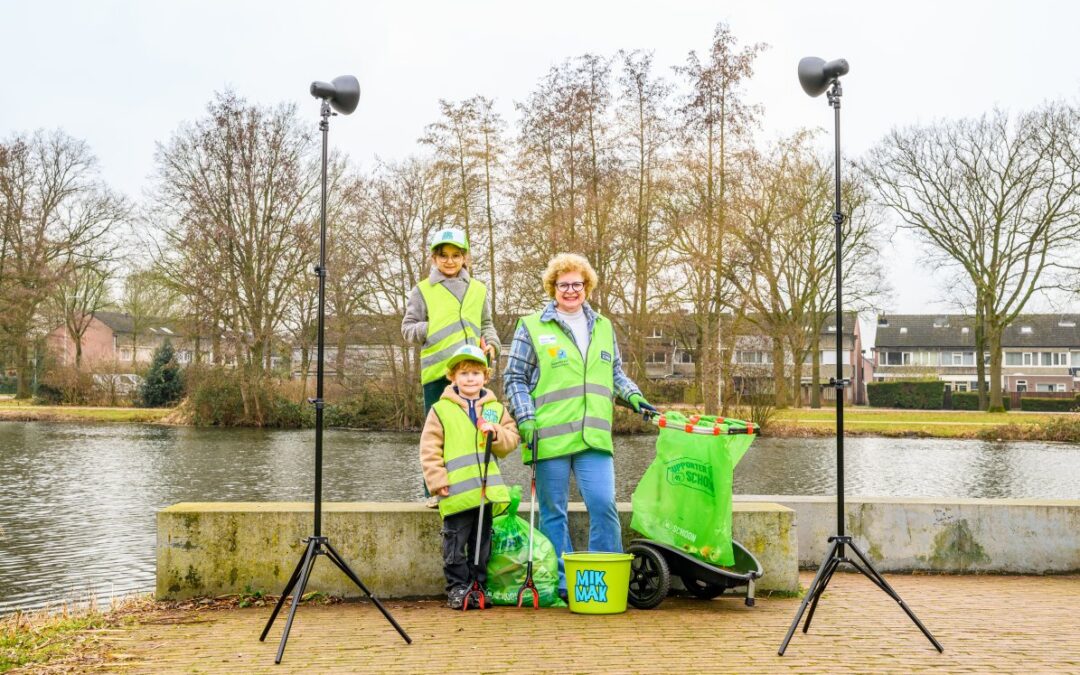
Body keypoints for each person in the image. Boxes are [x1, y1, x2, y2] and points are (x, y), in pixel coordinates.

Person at [503, 253, 655, 600]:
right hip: (549, 437)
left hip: (594, 438)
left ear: (587, 287)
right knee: (553, 513)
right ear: (552, 288)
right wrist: (525, 418)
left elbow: (614, 373)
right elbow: (513, 377)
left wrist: (634, 397)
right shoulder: (532, 326)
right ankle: (562, 584)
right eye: (563, 284)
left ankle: (601, 582)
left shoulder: (603, 326)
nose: (570, 290)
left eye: (577, 284)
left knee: (603, 504)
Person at [402, 227, 500, 507]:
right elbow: (407, 328)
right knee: (437, 435)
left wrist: (492, 345)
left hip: (473, 375)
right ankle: (434, 491)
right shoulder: (422, 290)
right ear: (434, 258)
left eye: (456, 255)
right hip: (438, 375)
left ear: (464, 257)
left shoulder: (479, 289)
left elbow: (487, 325)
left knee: (479, 431)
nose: (449, 261)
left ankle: (480, 489)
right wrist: (432, 328)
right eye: (443, 255)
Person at [420, 344, 519, 609]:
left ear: (485, 377)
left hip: (485, 493)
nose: (470, 379)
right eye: (464, 374)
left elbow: (511, 441)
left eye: (476, 373)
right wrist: (437, 480)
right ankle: (457, 588)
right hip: (455, 492)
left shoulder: (496, 409)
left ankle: (478, 586)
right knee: (455, 544)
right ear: (453, 377)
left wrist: (495, 432)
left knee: (481, 545)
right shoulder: (441, 410)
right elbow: (430, 448)